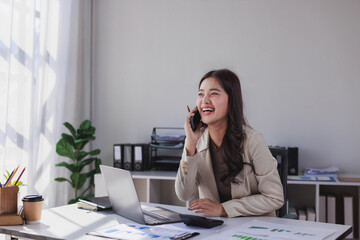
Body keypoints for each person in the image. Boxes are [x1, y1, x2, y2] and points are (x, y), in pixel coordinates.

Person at [175, 69, 284, 218]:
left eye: (213, 93)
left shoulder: (252, 140)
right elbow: (184, 194)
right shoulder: (196, 142)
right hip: (218, 229)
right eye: (201, 94)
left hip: (255, 228)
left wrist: (223, 209)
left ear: (231, 100)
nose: (204, 100)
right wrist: (190, 144)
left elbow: (275, 197)